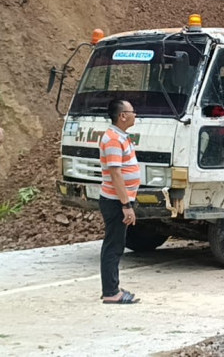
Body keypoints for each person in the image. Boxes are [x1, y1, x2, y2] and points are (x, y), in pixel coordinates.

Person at [99, 99, 140, 304]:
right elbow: (116, 174)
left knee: (115, 245)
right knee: (113, 246)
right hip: (116, 202)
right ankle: (111, 293)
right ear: (123, 116)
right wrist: (126, 205)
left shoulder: (120, 137)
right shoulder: (114, 139)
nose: (135, 114)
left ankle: (111, 286)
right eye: (132, 111)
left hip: (118, 200)